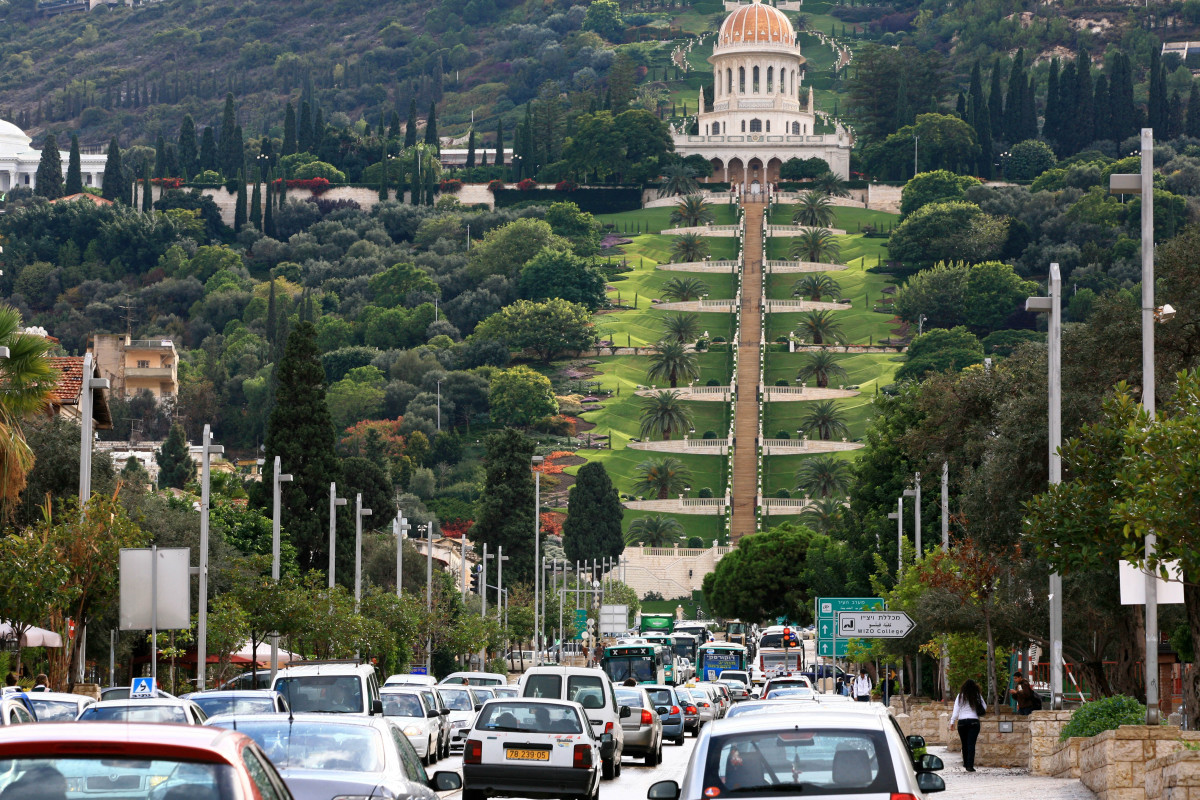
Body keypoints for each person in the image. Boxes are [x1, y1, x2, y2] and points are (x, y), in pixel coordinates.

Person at [950, 678, 987, 772]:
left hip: (962, 722)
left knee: (964, 743)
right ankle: (970, 766)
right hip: (974, 721)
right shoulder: (977, 695)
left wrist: (952, 722)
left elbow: (956, 709)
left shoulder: (960, 696)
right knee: (971, 744)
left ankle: (965, 763)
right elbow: (984, 707)